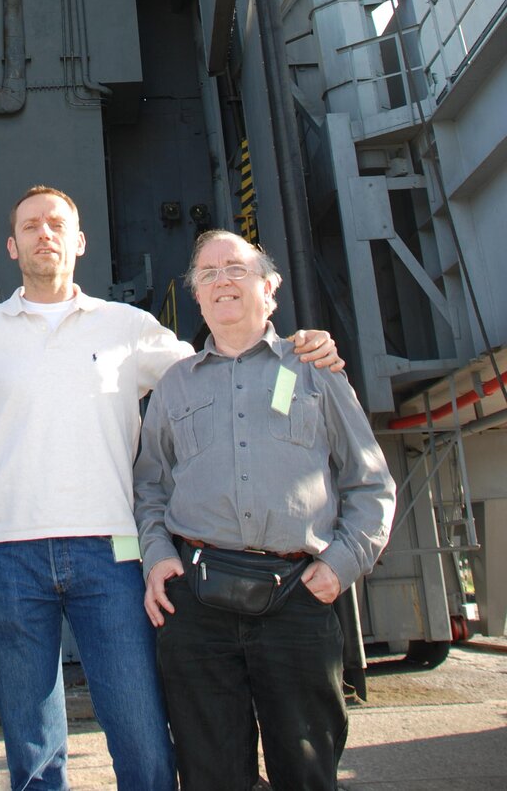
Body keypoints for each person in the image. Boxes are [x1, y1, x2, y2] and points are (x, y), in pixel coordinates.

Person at [0, 186, 344, 791]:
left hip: (111, 553)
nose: (44, 233)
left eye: (57, 223)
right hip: (8, 553)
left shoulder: (130, 328)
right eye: (30, 226)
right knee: (30, 745)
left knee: (140, 729)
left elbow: (223, 371)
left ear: (79, 242)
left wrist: (298, 348)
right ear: (11, 246)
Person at [133, 229, 396, 791]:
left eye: (236, 268)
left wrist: (340, 566)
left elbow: (371, 483)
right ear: (197, 297)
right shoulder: (173, 385)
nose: (222, 280)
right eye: (207, 274)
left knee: (307, 771)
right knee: (210, 774)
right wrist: (157, 558)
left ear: (269, 288)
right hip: (198, 605)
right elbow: (149, 487)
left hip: (298, 598)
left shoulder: (316, 370)